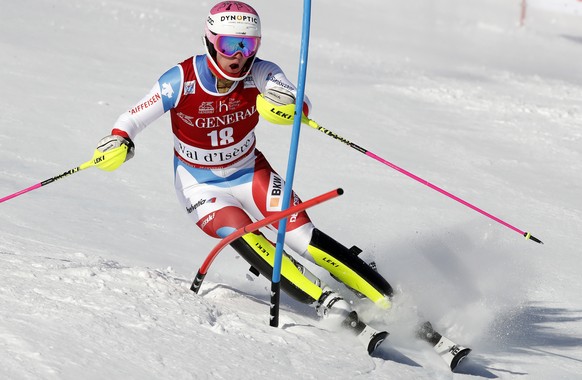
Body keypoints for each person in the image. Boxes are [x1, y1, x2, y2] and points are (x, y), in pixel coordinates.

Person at [96, 2, 465, 362]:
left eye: (249, 45)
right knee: (244, 232)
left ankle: (395, 306)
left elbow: (296, 99)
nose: (239, 55)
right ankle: (326, 302)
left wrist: (289, 107)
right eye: (229, 45)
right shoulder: (181, 79)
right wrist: (119, 140)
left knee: (304, 237)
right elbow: (132, 117)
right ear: (210, 41)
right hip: (200, 184)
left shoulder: (262, 71)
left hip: (249, 171)